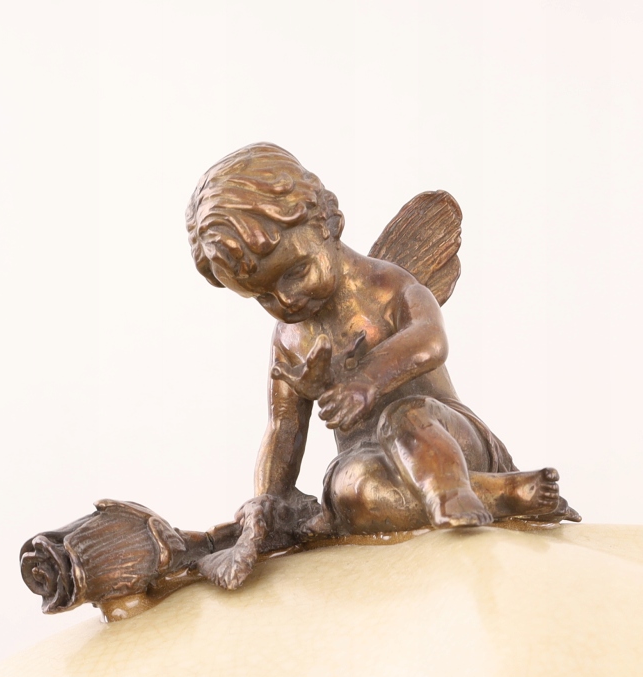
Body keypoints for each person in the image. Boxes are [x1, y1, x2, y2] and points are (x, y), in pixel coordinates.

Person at [186, 143, 573, 540]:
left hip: (447, 435)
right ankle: (503, 493)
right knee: (348, 489)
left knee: (403, 417)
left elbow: (430, 338)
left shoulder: (387, 286)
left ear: (326, 222)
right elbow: (283, 425)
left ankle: (453, 491)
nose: (286, 301)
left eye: (296, 272)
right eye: (263, 297)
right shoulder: (290, 338)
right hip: (371, 458)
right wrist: (268, 497)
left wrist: (367, 381)